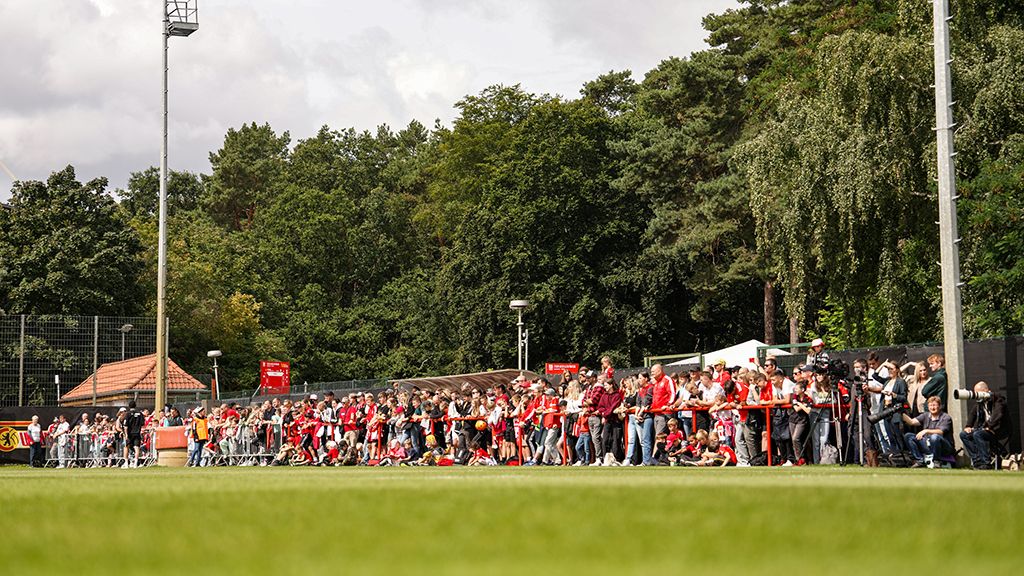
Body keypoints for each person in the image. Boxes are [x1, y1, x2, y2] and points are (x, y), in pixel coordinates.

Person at [959, 381, 1011, 470]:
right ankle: (977, 461)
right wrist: (968, 426)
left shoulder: (998, 400)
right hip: (985, 429)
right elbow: (973, 414)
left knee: (977, 434)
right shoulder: (980, 403)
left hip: (999, 430)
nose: (977, 395)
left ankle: (986, 463)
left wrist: (989, 426)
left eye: (979, 393)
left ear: (987, 391)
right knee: (964, 434)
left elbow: (998, 415)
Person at [902, 396, 954, 468]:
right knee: (908, 436)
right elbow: (912, 422)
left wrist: (926, 431)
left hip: (944, 447)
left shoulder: (946, 417)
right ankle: (919, 460)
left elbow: (941, 432)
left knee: (935, 437)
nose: (932, 408)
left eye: (934, 405)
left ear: (939, 406)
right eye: (930, 405)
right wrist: (901, 413)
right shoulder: (926, 415)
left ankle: (936, 461)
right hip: (928, 444)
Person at [122, 400, 145, 468]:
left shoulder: (127, 414)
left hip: (129, 433)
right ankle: (135, 463)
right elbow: (142, 424)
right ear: (135, 406)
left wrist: (126, 435)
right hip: (137, 433)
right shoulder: (140, 414)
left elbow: (125, 426)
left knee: (126, 447)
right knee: (136, 448)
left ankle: (126, 463)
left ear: (129, 406)